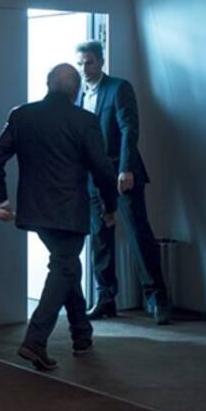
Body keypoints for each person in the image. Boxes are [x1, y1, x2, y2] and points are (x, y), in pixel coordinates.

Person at [0, 63, 117, 370]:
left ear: (47, 84)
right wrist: (110, 206)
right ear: (76, 91)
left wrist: (0, 200)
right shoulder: (84, 120)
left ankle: (81, 334)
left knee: (67, 266)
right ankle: (35, 340)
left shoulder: (22, 115)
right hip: (69, 212)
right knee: (64, 265)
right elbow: (102, 169)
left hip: (34, 211)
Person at [75, 41, 170, 324]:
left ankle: (157, 299)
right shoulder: (78, 95)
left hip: (121, 172)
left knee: (138, 234)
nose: (84, 68)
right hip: (94, 178)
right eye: (80, 63)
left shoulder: (118, 88)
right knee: (100, 238)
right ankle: (106, 299)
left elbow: (129, 128)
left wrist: (126, 168)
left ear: (101, 61)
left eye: (89, 62)